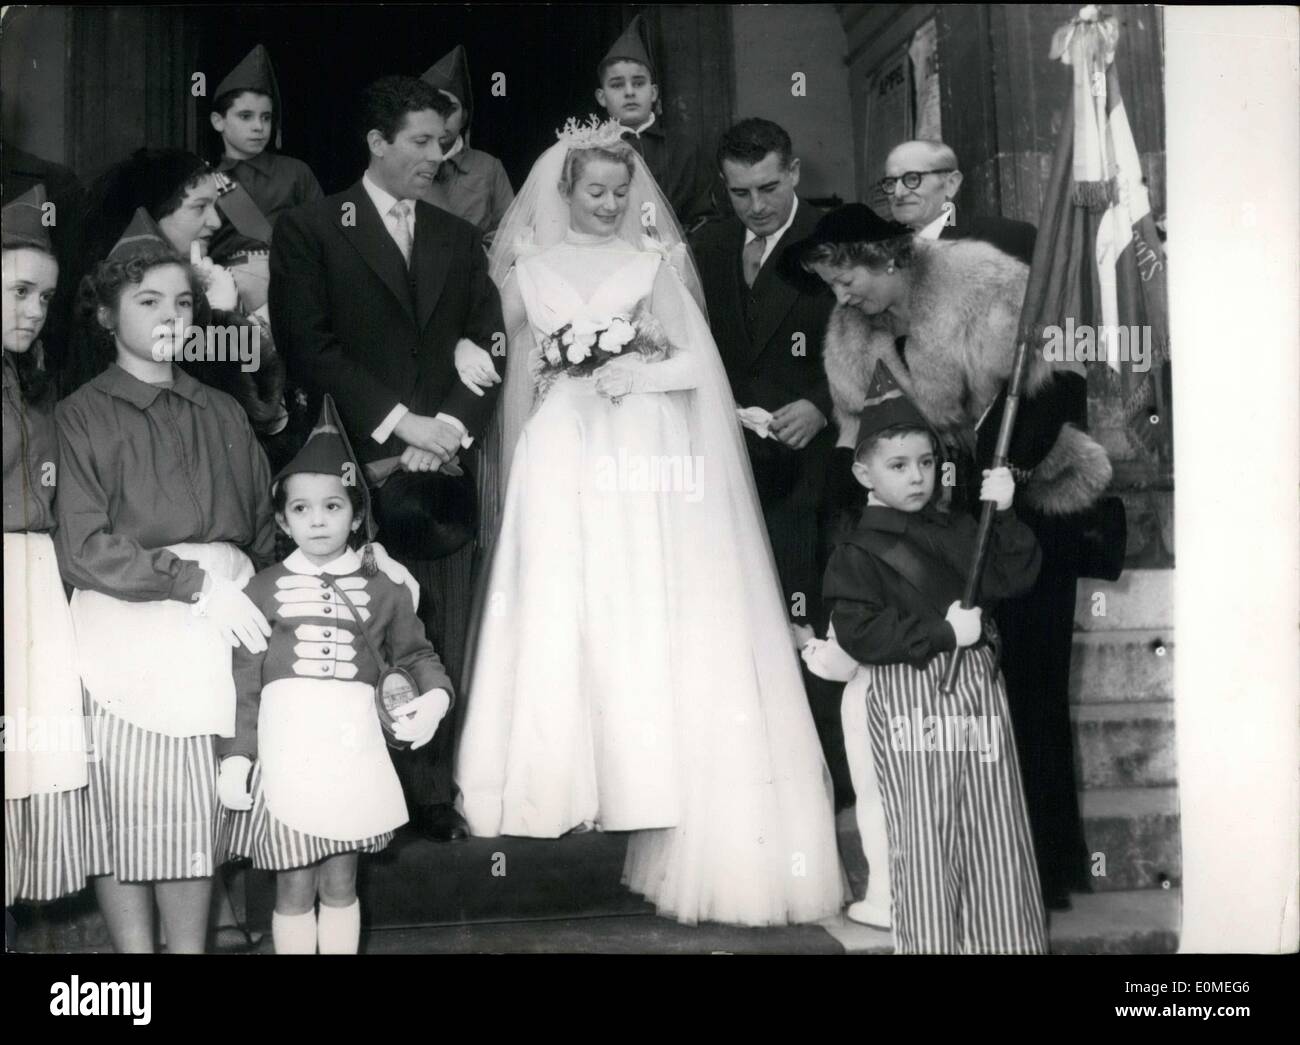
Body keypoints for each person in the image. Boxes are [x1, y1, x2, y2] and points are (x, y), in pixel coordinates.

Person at [455, 117, 843, 927]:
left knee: (640, 602)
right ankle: (550, 782)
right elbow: (497, 349)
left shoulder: (653, 261)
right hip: (562, 447)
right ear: (565, 191)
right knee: (563, 601)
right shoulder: (528, 264)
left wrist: (638, 368)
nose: (607, 203)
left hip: (642, 451)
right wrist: (471, 356)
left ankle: (650, 778)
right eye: (593, 191)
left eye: (619, 189)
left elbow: (699, 363)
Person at [793, 202, 1112, 910]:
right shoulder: (851, 331)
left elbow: (1058, 380)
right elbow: (859, 433)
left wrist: (1011, 471)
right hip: (938, 522)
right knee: (970, 695)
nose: (841, 298)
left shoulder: (980, 280)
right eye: (832, 286)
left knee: (1028, 685)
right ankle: (976, 861)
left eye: (848, 279)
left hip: (1026, 501)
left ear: (890, 256)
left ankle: (1045, 868)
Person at [269, 75, 504, 844]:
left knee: (432, 627)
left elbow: (488, 340)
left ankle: (432, 796)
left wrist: (453, 433)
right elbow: (311, 345)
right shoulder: (309, 227)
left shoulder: (457, 236)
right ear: (376, 143)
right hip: (353, 468)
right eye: (422, 142)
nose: (438, 156)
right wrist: (402, 425)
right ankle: (352, 800)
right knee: (355, 627)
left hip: (440, 477)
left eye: (444, 142)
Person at [54, 238, 277, 953]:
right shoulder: (81, 415)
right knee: (124, 807)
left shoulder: (222, 411)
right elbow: (84, 545)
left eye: (183, 302)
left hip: (222, 623)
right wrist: (189, 582)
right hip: (130, 622)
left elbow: (262, 534)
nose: (169, 316)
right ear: (105, 315)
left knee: (193, 812)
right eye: (147, 302)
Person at [823, 360, 1047, 954]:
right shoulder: (856, 550)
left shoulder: (954, 526)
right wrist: (943, 634)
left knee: (992, 827)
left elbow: (1010, 574)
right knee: (926, 836)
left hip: (976, 694)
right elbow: (860, 633)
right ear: (862, 471)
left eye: (926, 462)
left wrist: (1005, 512)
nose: (917, 477)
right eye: (898, 466)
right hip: (909, 699)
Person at [217, 396, 453, 954]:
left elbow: (417, 655)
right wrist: (235, 755)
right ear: (281, 519)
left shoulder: (385, 587)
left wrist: (435, 698)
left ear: (356, 514)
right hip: (286, 751)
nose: (318, 521)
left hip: (353, 750)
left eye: (332, 507)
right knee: (295, 882)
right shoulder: (261, 589)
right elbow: (243, 683)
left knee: (342, 881)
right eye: (301, 510)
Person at [691, 117, 852, 810]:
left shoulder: (841, 237)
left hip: (810, 464)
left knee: (804, 609)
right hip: (725, 460)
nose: (754, 205)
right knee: (730, 613)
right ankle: (746, 774)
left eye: (766, 187)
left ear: (793, 172)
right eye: (739, 192)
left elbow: (877, 336)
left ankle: (823, 778)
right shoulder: (707, 243)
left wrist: (822, 404)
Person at [66, 150, 290, 449]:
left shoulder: (205, 277)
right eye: (200, 208)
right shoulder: (114, 295)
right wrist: (222, 317)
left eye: (215, 206)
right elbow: (249, 414)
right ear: (154, 213)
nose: (215, 221)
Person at [3, 186, 90, 910]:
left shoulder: (32, 385)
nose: (34, 309)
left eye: (45, 296)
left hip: (32, 584)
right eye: (18, 291)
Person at [596, 14, 714, 231]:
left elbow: (705, 219)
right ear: (601, 97)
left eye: (639, 83)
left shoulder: (685, 150)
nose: (630, 92)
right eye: (617, 85)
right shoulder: (592, 150)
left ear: (653, 92)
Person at [207, 44, 323, 233]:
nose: (258, 127)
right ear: (218, 121)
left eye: (266, 117)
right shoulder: (207, 183)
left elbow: (322, 233)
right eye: (245, 116)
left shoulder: (296, 173)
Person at [881, 139, 1036, 265]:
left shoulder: (1009, 239)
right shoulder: (874, 247)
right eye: (891, 182)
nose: (898, 193)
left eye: (913, 178)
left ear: (951, 184)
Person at [415, 45, 514, 240]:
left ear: (464, 117)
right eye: (432, 108)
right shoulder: (401, 163)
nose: (441, 118)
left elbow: (509, 233)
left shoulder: (488, 167)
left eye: (450, 108)